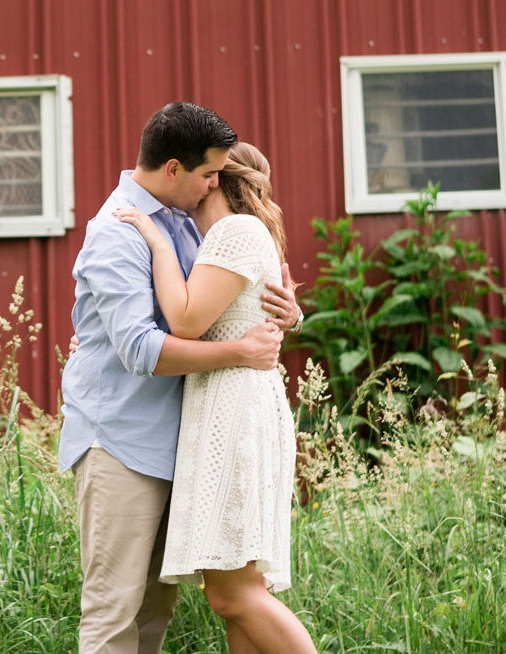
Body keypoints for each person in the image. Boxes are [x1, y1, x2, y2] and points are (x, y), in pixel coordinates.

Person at [58, 102, 302, 654]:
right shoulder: (119, 230)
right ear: (174, 168)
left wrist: (285, 312)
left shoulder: (187, 223)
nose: (218, 181)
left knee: (152, 614)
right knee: (113, 611)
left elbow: (225, 300)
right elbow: (143, 345)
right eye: (209, 173)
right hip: (121, 441)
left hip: (182, 442)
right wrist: (241, 350)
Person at [114, 142, 316, 653]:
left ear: (217, 178)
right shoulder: (224, 235)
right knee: (233, 593)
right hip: (229, 401)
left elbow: (185, 320)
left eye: (204, 173)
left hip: (235, 407)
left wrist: (157, 245)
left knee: (235, 593)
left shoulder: (233, 232)